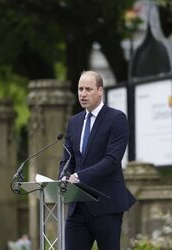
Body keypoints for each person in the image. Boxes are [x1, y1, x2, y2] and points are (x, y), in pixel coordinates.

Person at [58, 70, 136, 250]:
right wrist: (64, 175)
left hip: (106, 205)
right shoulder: (74, 122)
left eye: (88, 89)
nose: (83, 94)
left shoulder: (117, 119)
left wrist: (78, 177)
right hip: (78, 207)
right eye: (80, 89)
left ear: (100, 91)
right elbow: (67, 159)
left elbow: (112, 160)